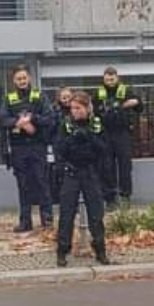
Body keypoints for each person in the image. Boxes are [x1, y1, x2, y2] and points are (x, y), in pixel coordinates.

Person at [54, 91, 110, 267]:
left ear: (87, 108)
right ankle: (62, 251)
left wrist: (89, 136)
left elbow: (104, 148)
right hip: (71, 171)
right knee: (67, 214)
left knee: (96, 214)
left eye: (78, 108)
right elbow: (59, 148)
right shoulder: (66, 124)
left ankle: (100, 250)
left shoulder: (96, 124)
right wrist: (72, 139)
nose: (75, 112)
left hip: (90, 172)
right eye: (72, 108)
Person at [0, 65, 54, 232]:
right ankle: (25, 221)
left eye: (24, 78)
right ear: (14, 81)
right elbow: (2, 120)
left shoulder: (40, 96)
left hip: (37, 145)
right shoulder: (9, 99)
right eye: (19, 79)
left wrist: (33, 119)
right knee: (23, 185)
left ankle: (47, 220)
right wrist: (19, 123)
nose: (22, 81)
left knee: (42, 182)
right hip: (19, 147)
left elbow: (49, 118)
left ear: (29, 78)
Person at [94, 67, 142, 204]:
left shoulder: (125, 91)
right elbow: (93, 110)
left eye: (112, 78)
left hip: (122, 132)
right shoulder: (98, 93)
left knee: (125, 165)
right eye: (107, 79)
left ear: (117, 77)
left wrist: (133, 102)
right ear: (103, 79)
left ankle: (125, 196)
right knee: (107, 166)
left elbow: (139, 105)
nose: (110, 81)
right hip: (105, 133)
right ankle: (110, 199)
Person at [48, 87, 74, 207]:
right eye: (64, 97)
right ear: (59, 98)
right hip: (59, 146)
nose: (66, 100)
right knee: (60, 173)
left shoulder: (76, 108)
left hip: (75, 146)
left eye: (68, 97)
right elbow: (50, 129)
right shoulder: (54, 111)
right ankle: (61, 200)